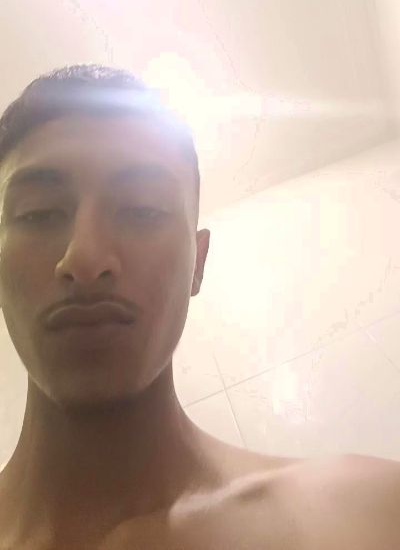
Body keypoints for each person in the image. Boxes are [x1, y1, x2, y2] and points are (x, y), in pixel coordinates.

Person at [0, 64, 398, 550]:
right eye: (38, 213)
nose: (84, 257)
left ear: (198, 262)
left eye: (142, 209)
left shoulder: (369, 517)